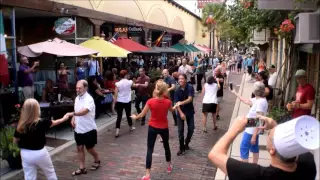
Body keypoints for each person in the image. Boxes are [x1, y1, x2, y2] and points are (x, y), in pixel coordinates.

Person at [208, 115, 318, 180]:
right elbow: (293, 144)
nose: (268, 131)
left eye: (269, 134)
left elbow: (214, 154)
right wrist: (273, 124)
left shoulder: (255, 175)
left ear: (272, 150)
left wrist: (234, 129)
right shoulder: (308, 165)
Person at [14, 98, 71, 180]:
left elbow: (15, 140)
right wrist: (64, 118)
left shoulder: (20, 125)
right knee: (50, 173)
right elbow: (56, 122)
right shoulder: (42, 122)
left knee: (29, 177)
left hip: (25, 153)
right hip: (40, 153)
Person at [131, 80, 176, 180]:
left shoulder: (150, 101)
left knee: (150, 149)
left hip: (153, 127)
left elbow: (142, 114)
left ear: (156, 89)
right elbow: (172, 110)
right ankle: (169, 165)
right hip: (164, 127)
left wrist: (135, 117)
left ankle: (147, 174)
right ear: (164, 90)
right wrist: (176, 106)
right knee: (166, 146)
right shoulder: (168, 102)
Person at [231, 81, 268, 163]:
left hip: (251, 130)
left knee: (243, 147)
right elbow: (246, 101)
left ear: (255, 91)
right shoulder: (258, 99)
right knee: (254, 148)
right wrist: (235, 93)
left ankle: (246, 168)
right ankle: (254, 166)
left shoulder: (260, 102)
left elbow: (259, 120)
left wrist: (254, 136)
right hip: (252, 128)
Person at [68, 80, 100, 176]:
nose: (77, 89)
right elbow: (77, 110)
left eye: (80, 88)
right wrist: (73, 118)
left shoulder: (89, 99)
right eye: (77, 87)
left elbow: (85, 111)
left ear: (85, 88)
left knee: (89, 148)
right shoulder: (77, 98)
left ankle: (97, 159)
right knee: (79, 148)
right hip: (78, 128)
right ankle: (82, 168)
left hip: (89, 129)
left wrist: (73, 114)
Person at [174, 74, 195, 156]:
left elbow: (190, 99)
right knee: (180, 131)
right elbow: (176, 103)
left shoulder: (190, 87)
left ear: (186, 80)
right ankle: (181, 148)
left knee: (191, 129)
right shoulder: (176, 89)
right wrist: (181, 113)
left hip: (189, 111)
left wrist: (181, 102)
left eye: (182, 79)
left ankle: (187, 142)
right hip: (180, 112)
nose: (180, 80)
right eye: (179, 79)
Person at [114, 70, 135, 137]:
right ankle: (131, 127)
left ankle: (117, 131)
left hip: (119, 101)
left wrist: (115, 102)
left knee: (119, 116)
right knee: (128, 115)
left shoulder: (118, 83)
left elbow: (116, 94)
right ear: (126, 75)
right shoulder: (129, 82)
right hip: (127, 101)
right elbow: (134, 85)